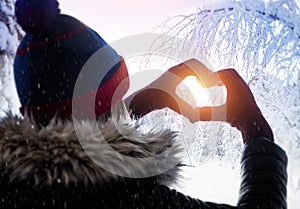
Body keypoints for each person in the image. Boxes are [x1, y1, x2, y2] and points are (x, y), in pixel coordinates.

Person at [0, 0, 287, 208]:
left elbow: (74, 125)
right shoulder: (129, 198)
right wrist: (257, 133)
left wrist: (139, 103)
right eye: (117, 97)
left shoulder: (12, 181)